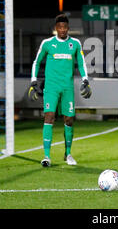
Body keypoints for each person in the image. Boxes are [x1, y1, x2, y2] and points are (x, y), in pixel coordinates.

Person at [29, 14, 92, 167]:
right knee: (49, 117)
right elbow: (36, 62)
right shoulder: (47, 43)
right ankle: (46, 156)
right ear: (56, 28)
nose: (62, 30)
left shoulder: (75, 43)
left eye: (65, 27)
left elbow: (82, 63)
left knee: (69, 120)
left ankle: (68, 153)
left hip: (67, 88)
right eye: (60, 27)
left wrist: (86, 80)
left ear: (68, 28)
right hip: (51, 87)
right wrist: (33, 82)